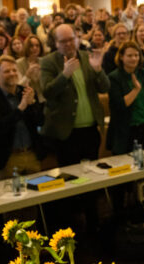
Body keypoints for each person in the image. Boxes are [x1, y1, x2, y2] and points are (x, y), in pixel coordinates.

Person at [40, 24, 109, 166]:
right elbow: (47, 92)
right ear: (56, 43)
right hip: (66, 132)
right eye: (63, 41)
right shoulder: (48, 62)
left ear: (77, 39)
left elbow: (105, 88)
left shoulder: (87, 57)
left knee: (93, 173)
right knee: (71, 175)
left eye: (71, 39)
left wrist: (98, 71)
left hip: (90, 130)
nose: (68, 44)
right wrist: (64, 75)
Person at [0, 56, 46, 178]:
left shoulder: (26, 92)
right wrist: (21, 107)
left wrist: (32, 104)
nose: (12, 74)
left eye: (14, 70)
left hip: (31, 154)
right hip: (8, 158)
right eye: (7, 71)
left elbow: (40, 121)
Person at [106, 41, 144, 155]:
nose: (134, 58)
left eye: (136, 55)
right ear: (121, 57)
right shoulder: (114, 77)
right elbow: (120, 105)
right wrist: (136, 90)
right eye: (130, 56)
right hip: (125, 130)